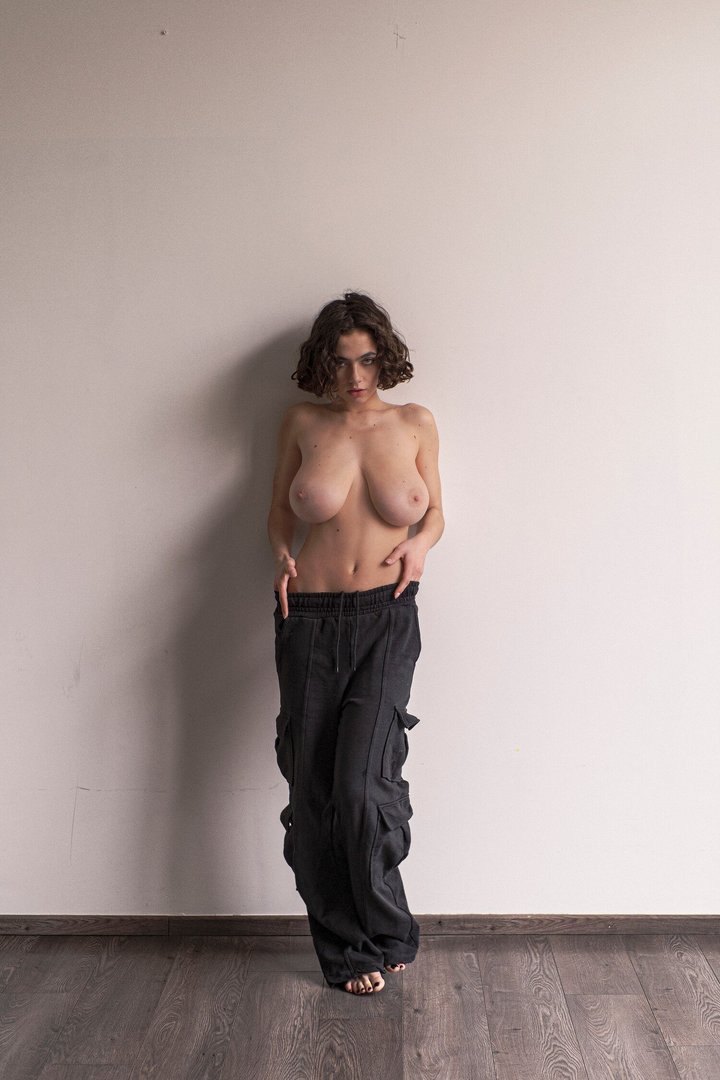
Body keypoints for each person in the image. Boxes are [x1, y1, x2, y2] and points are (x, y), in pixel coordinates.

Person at [267, 291, 444, 995]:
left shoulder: (415, 422)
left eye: (367, 359)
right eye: (340, 362)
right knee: (314, 791)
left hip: (387, 616)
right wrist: (281, 554)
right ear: (322, 363)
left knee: (362, 786)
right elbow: (279, 510)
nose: (355, 375)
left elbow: (435, 514)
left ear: (384, 358)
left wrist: (421, 548)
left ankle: (387, 924)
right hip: (308, 616)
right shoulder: (302, 422)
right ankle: (346, 952)